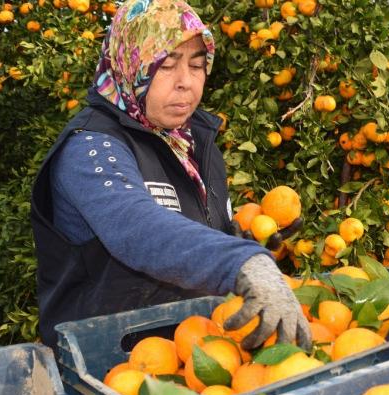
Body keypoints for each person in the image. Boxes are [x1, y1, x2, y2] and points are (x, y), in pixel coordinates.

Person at [29, 0, 310, 351]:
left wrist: (243, 243)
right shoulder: (90, 148)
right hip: (108, 368)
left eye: (197, 65)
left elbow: (191, 237)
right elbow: (136, 225)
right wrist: (237, 261)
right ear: (131, 65)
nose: (186, 83)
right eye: (166, 66)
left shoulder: (192, 143)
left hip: (194, 356)